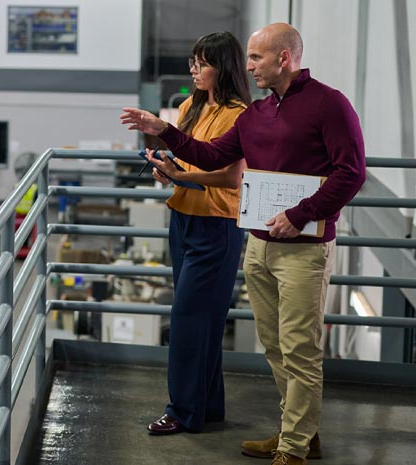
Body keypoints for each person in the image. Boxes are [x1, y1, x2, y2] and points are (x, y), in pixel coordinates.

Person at [121, 23, 366, 465]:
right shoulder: (259, 113)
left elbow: (351, 173)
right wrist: (164, 130)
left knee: (300, 347)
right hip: (259, 242)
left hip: (303, 246)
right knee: (273, 345)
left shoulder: (329, 105)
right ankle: (298, 432)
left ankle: (292, 448)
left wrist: (299, 214)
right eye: (249, 58)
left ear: (284, 59)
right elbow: (213, 155)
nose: (248, 65)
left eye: (256, 57)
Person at [142, 31, 250, 438]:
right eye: (192, 61)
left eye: (202, 63)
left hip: (217, 223)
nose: (194, 69)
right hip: (183, 217)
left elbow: (231, 174)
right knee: (201, 319)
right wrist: (165, 165)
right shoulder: (190, 104)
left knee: (188, 318)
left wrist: (183, 174)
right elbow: (185, 157)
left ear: (223, 68)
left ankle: (182, 411)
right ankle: (207, 406)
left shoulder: (239, 114)